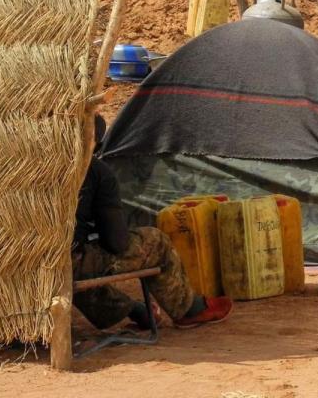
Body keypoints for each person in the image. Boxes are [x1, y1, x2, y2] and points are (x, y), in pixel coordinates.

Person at [72, 116, 233, 330]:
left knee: (79, 262)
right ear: (98, 146)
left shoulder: (34, 163)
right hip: (69, 264)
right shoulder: (96, 172)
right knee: (155, 242)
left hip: (39, 264)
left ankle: (136, 311)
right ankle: (188, 309)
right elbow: (116, 242)